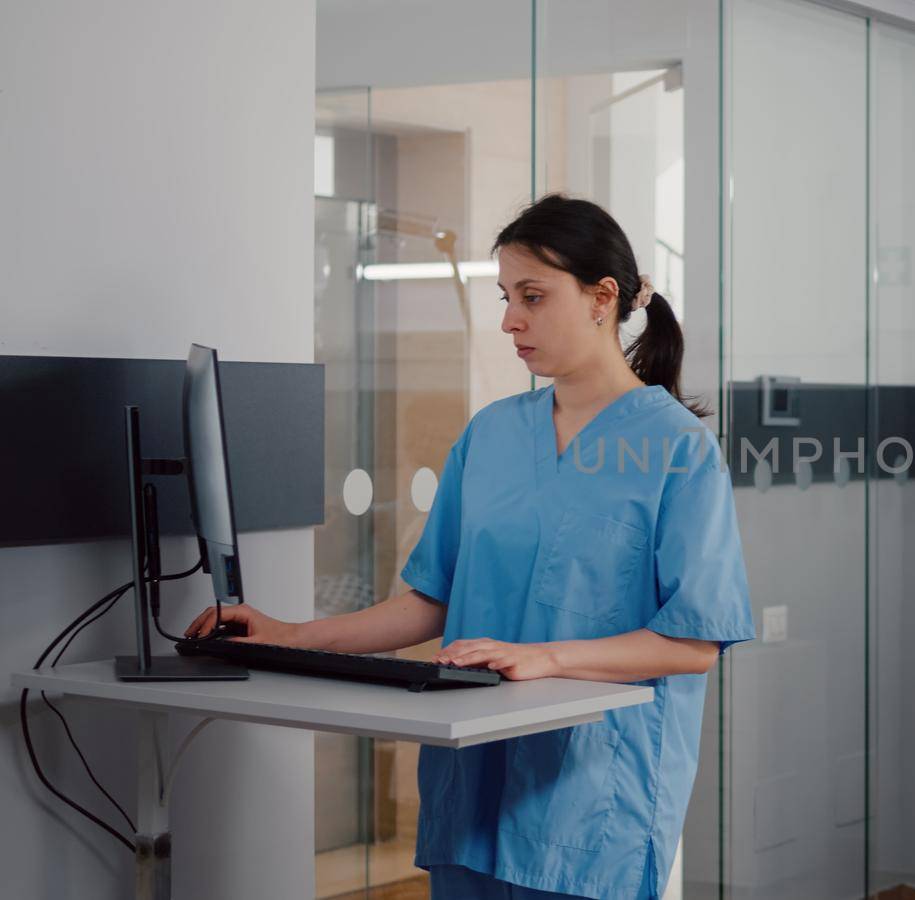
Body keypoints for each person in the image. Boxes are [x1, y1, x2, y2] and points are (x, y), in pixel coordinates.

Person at [187, 193, 756, 899]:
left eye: (533, 296)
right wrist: (290, 636)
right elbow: (430, 600)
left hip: (591, 793)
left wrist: (543, 659)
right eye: (505, 296)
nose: (510, 319)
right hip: (474, 777)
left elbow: (694, 643)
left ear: (601, 299)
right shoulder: (490, 435)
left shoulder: (678, 450)